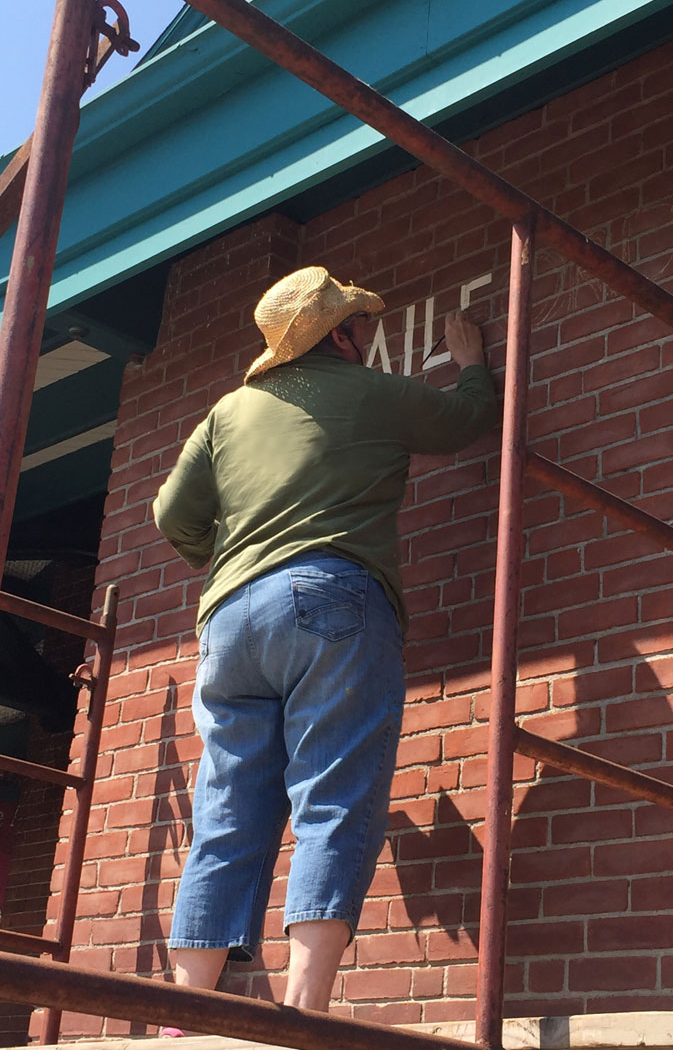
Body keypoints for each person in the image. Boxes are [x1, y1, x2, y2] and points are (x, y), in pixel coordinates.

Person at [153, 265, 496, 1018]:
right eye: (361, 325)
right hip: (329, 598)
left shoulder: (229, 410)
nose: (370, 336)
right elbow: (467, 420)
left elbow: (172, 514)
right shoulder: (369, 391)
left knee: (225, 815)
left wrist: (233, 555)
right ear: (336, 334)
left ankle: (184, 1021)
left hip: (229, 620)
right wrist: (473, 364)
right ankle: (304, 1017)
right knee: (333, 798)